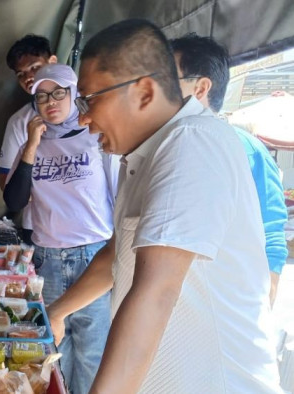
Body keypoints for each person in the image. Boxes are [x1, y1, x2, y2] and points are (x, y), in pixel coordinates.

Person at [48, 19, 282, 393]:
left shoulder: (192, 143)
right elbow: (118, 254)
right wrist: (57, 312)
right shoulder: (142, 152)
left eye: (90, 100)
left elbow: (156, 293)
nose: (84, 118)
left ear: (143, 92)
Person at [3, 64, 114, 394]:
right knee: (55, 352)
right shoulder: (31, 139)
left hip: (93, 255)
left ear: (74, 92)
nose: (50, 101)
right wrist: (32, 145)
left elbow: (119, 193)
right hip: (48, 259)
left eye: (58, 93)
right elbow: (14, 199)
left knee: (93, 352)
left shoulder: (96, 135)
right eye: (41, 96)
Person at [170, 33, 288, 305]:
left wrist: (266, 299)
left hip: (227, 303)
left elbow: (271, 229)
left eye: (166, 80)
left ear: (200, 89)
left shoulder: (246, 149)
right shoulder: (165, 148)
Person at [0, 34, 58, 244]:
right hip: (40, 231)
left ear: (53, 62)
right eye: (21, 74)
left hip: (92, 231)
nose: (28, 77)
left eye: (34, 67)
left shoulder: (87, 114)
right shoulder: (19, 122)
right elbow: (7, 184)